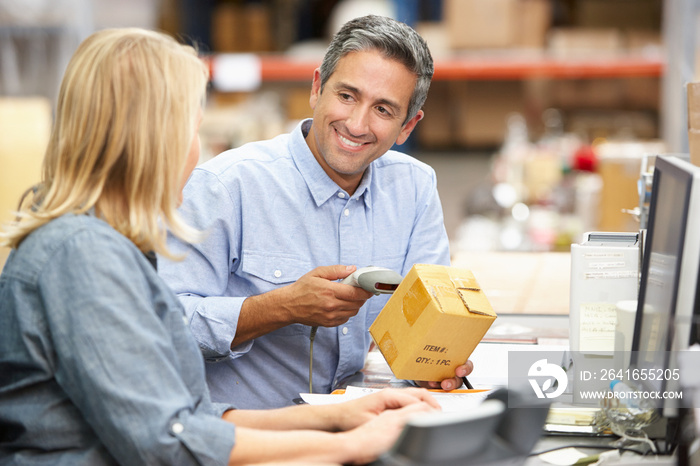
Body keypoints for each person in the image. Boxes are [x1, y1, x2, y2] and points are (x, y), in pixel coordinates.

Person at [0, 27, 442, 465]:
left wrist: (341, 417)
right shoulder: (81, 257)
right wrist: (349, 444)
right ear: (153, 140)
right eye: (193, 131)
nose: (196, 154)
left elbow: (186, 418)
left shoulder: (108, 247)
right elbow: (164, 441)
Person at [159, 14, 473, 410]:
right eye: (346, 96)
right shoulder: (226, 185)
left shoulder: (414, 188)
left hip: (353, 430)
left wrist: (432, 364)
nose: (357, 124)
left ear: (408, 127)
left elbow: (429, 326)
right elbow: (162, 325)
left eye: (383, 110)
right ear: (316, 89)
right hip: (248, 440)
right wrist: (281, 307)